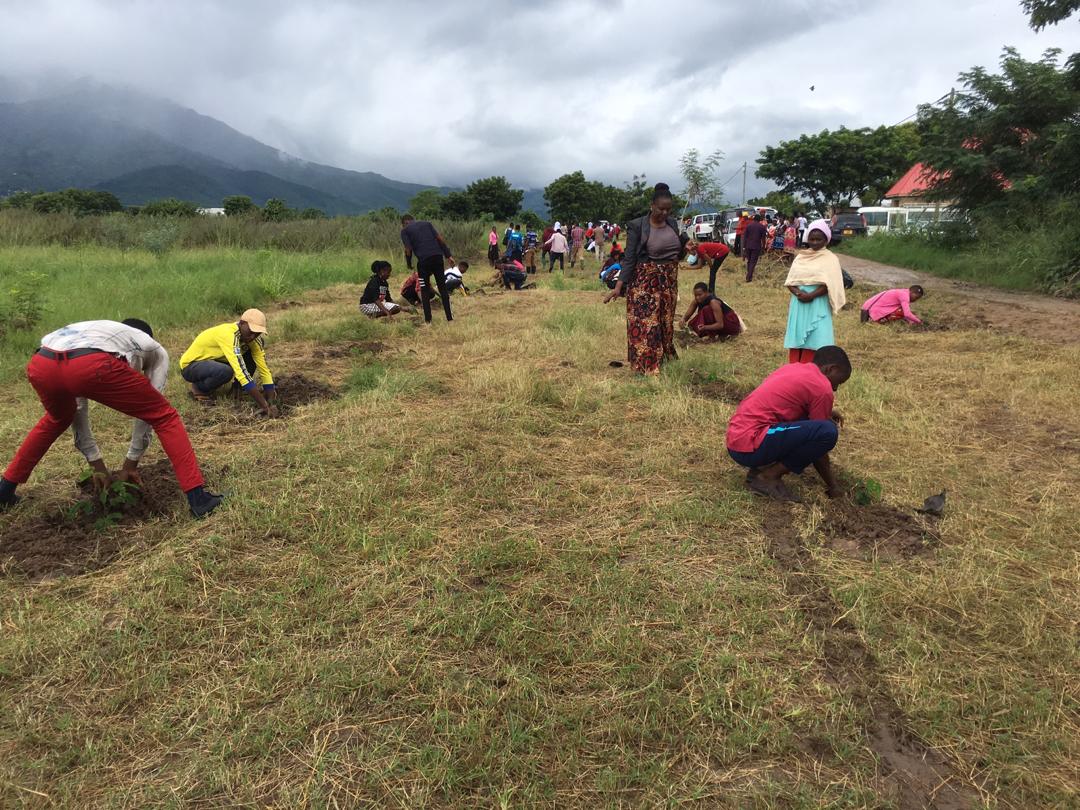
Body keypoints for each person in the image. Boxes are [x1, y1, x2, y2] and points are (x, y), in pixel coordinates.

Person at [0, 319, 223, 517]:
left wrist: (96, 464)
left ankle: (4, 492)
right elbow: (152, 415)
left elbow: (76, 409)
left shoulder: (101, 333)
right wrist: (130, 464)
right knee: (165, 417)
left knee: (57, 418)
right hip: (91, 363)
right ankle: (199, 500)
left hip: (42, 364)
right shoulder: (153, 349)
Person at [726, 345, 851, 502]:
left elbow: (787, 406)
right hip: (750, 442)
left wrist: (826, 413)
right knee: (828, 431)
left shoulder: (794, 369)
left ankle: (761, 468)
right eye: (839, 381)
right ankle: (768, 477)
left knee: (819, 426)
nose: (835, 388)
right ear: (831, 369)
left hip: (737, 439)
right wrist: (833, 486)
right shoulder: (822, 387)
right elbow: (820, 440)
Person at [603, 183, 689, 375]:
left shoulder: (673, 224)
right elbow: (630, 258)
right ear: (652, 205)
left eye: (668, 209)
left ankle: (663, 359)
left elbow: (678, 254)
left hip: (669, 281)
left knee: (665, 323)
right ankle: (647, 366)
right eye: (661, 209)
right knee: (647, 324)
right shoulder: (637, 226)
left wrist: (686, 249)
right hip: (645, 282)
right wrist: (619, 286)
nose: (665, 213)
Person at [180, 309, 279, 417]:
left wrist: (271, 401)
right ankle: (199, 388)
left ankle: (237, 389)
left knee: (249, 352)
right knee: (225, 371)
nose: (252, 337)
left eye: (257, 334)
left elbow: (264, 369)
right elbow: (241, 372)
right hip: (192, 365)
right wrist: (264, 406)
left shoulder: (253, 340)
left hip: (215, 361)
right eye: (250, 332)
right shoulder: (228, 334)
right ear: (241, 323)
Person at [783, 220, 846, 364]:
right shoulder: (801, 257)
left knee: (818, 336)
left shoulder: (831, 259)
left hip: (818, 302)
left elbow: (830, 283)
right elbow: (790, 281)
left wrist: (811, 295)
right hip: (799, 303)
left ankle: (813, 367)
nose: (815, 242)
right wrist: (799, 294)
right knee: (798, 334)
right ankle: (795, 368)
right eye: (812, 239)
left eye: (819, 239)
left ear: (826, 240)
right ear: (807, 239)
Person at [400, 214, 456, 323]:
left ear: (404, 224)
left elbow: (408, 249)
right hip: (437, 258)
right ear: (413, 220)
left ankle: (428, 320)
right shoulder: (427, 224)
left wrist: (408, 263)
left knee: (424, 289)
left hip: (424, 262)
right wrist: (448, 255)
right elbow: (440, 240)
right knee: (442, 287)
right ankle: (450, 318)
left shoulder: (405, 231)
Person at [743, 214, 767, 282]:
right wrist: (763, 247)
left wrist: (744, 247)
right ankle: (749, 277)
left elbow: (745, 237)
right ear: (759, 220)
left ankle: (749, 275)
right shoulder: (762, 227)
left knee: (749, 261)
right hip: (756, 246)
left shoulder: (749, 226)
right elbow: (763, 239)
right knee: (753, 262)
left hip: (748, 246)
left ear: (753, 219)